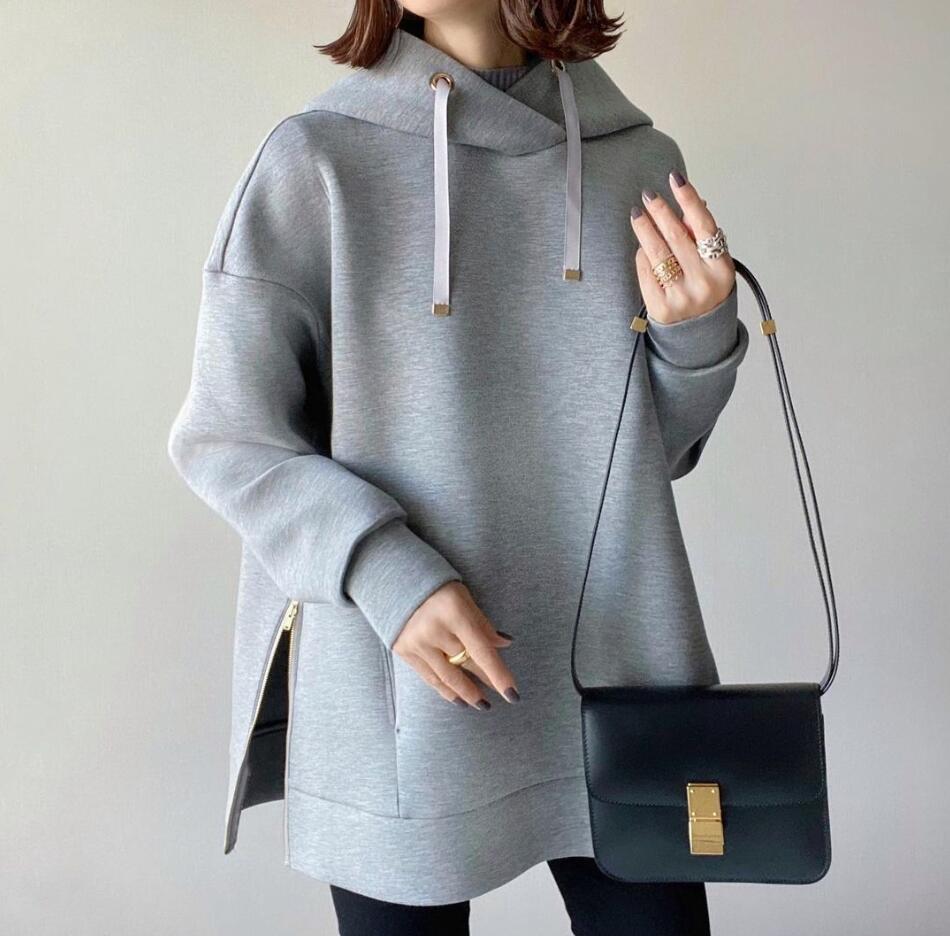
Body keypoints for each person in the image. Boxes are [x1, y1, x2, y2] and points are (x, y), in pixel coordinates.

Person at [167, 1, 749, 932]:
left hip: (617, 673)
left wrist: (699, 337)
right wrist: (387, 572)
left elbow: (655, 454)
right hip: (401, 680)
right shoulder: (316, 158)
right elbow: (229, 438)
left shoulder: (637, 163)